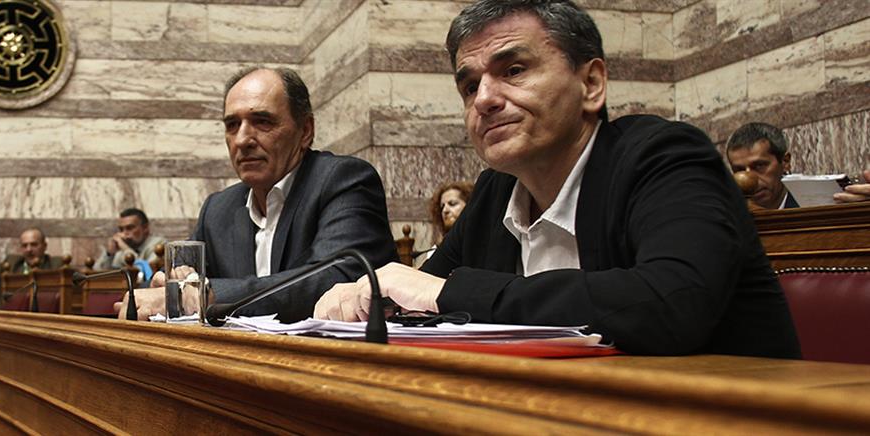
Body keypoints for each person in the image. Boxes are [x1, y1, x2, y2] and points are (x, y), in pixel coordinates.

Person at [314, 0, 800, 359]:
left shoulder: (665, 157)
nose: (484, 99)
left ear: (591, 84)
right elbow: (419, 293)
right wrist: (367, 296)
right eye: (470, 85)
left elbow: (670, 303)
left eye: (513, 70)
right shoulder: (495, 191)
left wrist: (443, 293)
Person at [117, 67, 397, 322]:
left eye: (262, 121)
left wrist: (203, 295)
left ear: (305, 131)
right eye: (232, 125)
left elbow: (339, 278)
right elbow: (180, 277)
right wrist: (168, 283)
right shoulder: (219, 208)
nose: (242, 140)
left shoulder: (343, 179)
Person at [0, 228, 63, 308]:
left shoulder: (57, 265)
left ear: (44, 246)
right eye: (24, 246)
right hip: (9, 317)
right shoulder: (11, 263)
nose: (29, 249)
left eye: (34, 245)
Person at [725, 122, 797, 209]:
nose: (749, 181)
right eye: (740, 170)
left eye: (759, 166)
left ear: (785, 162)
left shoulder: (808, 205)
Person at [418, 181, 474, 263]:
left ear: (469, 205)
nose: (445, 210)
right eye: (442, 207)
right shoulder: (436, 250)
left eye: (452, 204)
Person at [95, 208, 166, 270]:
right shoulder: (119, 249)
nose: (124, 233)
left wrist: (125, 249)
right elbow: (96, 273)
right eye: (121, 229)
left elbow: (147, 272)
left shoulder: (159, 245)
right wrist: (109, 254)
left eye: (130, 228)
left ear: (145, 228)